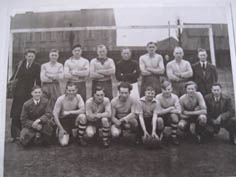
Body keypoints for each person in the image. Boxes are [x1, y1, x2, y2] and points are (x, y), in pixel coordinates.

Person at [10, 48, 41, 142]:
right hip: (19, 92)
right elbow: (14, 77)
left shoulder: (37, 66)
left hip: (29, 92)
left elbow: (38, 79)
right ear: (25, 56)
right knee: (16, 112)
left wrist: (38, 90)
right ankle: (14, 135)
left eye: (32, 56)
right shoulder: (20, 65)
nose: (30, 58)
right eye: (29, 56)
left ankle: (27, 133)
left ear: (34, 57)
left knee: (27, 112)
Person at [53, 82, 87, 146]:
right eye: (69, 90)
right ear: (66, 90)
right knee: (64, 143)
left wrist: (69, 112)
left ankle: (80, 138)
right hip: (64, 121)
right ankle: (64, 132)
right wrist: (61, 128)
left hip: (74, 119)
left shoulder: (78, 97)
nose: (71, 92)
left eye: (73, 90)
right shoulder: (60, 99)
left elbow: (83, 110)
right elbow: (55, 115)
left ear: (76, 90)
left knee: (83, 117)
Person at [155, 81, 181, 145]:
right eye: (165, 89)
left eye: (168, 89)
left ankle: (174, 136)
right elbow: (158, 112)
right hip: (162, 116)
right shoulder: (158, 97)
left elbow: (179, 110)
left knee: (175, 117)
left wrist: (164, 110)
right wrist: (170, 108)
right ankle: (160, 135)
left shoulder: (175, 97)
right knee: (159, 120)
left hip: (170, 116)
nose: (167, 91)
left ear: (171, 89)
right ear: (161, 90)